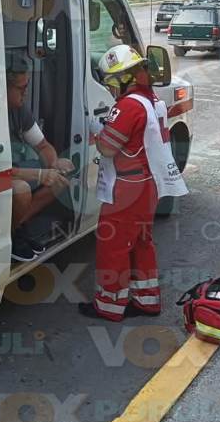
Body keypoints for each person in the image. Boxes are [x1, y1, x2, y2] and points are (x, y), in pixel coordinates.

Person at [78, 45, 188, 321]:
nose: (111, 87)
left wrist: (96, 128)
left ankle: (109, 306)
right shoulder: (152, 101)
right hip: (147, 184)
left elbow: (108, 148)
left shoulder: (128, 106)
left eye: (111, 81)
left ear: (121, 78)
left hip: (127, 188)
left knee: (112, 245)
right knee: (141, 242)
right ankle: (146, 301)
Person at [6, 55, 75, 262]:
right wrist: (38, 174)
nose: (25, 93)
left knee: (59, 182)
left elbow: (43, 145)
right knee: (21, 190)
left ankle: (16, 228)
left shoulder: (20, 110)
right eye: (21, 88)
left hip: (14, 171)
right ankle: (10, 236)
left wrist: (54, 165)